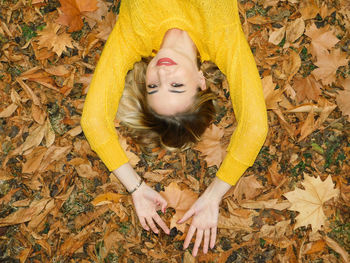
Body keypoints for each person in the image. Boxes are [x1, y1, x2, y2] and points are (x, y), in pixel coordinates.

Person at [81, 0, 268, 257]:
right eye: (177, 86)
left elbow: (92, 121)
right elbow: (255, 128)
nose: (162, 75)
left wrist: (136, 188)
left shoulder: (132, 35)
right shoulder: (222, 36)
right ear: (201, 81)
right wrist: (214, 195)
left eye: (153, 87)